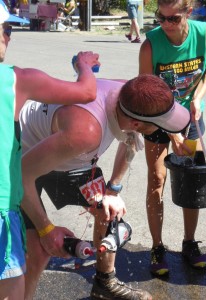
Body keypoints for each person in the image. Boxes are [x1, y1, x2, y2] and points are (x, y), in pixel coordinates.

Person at [19, 75, 190, 300]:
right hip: (23, 157)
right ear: (136, 124)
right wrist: (46, 230)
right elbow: (20, 177)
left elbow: (130, 141)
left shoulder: (129, 93)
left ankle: (104, 283)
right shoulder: (87, 132)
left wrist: (112, 190)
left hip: (68, 155)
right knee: (39, 251)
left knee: (107, 212)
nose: (164, 132)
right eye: (161, 127)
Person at [0, 0, 100, 298]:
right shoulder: (15, 80)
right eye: (4, 28)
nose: (9, 35)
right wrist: (84, 65)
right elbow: (87, 92)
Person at [139, 0, 206, 276]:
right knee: (157, 179)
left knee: (189, 179)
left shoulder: (205, 33)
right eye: (161, 17)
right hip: (156, 118)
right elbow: (145, 95)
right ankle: (157, 246)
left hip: (192, 119)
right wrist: (171, 132)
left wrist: (197, 97)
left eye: (174, 18)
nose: (166, 24)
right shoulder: (150, 45)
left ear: (189, 12)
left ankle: (189, 242)